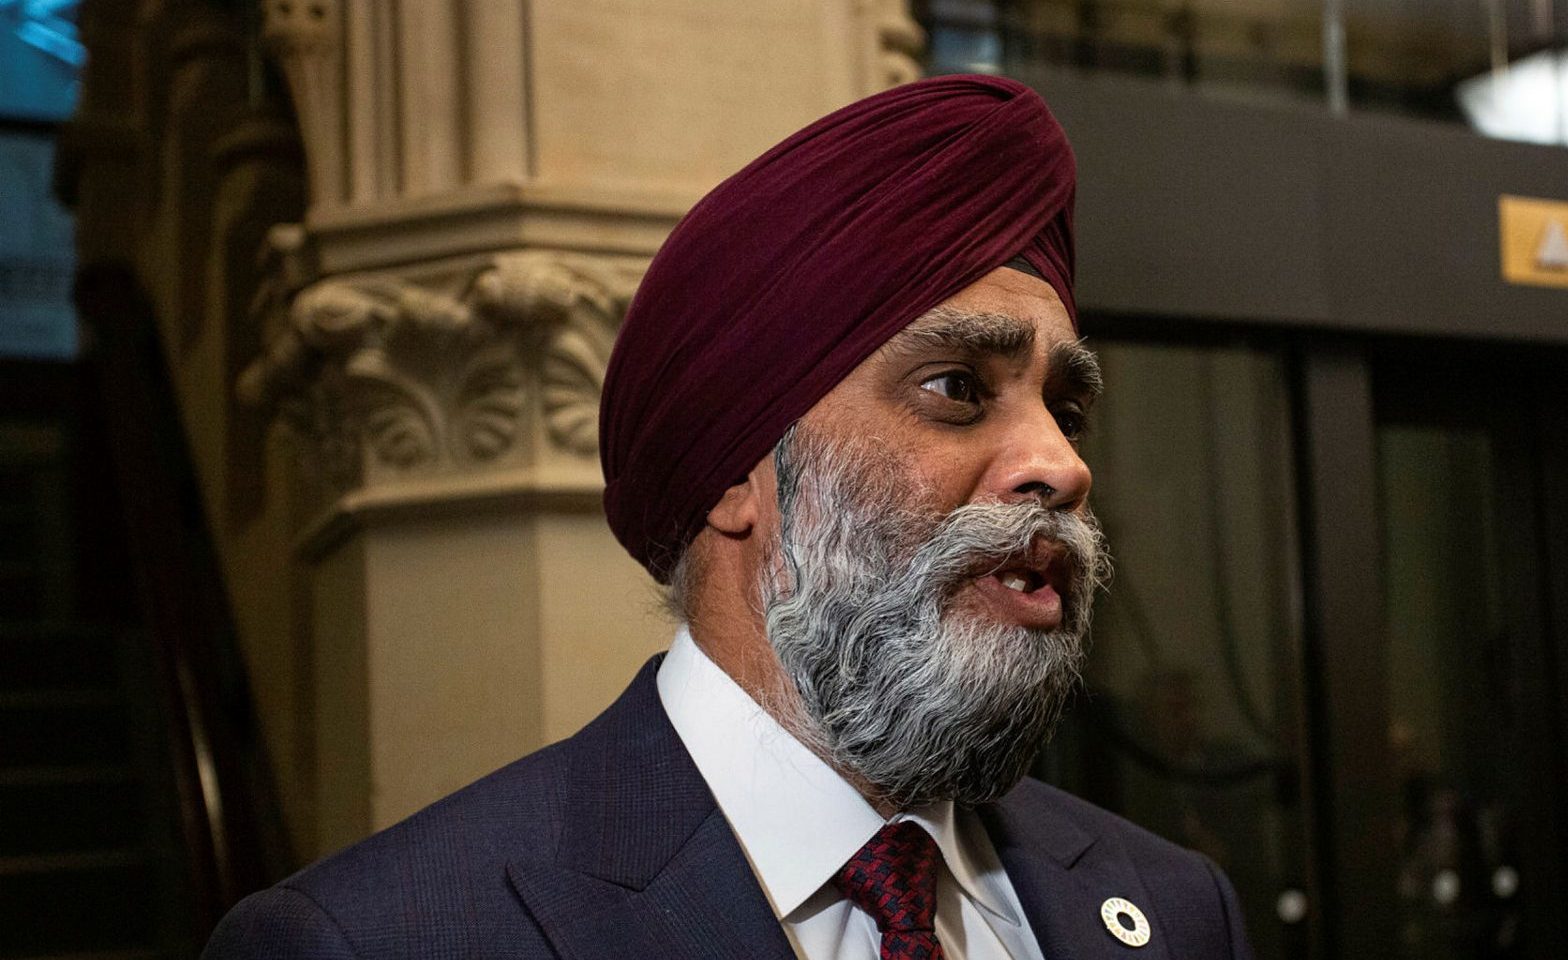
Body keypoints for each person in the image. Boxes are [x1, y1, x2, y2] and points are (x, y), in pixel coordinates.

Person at [205, 74, 1254, 960]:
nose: (1060, 464)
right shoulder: (380, 938)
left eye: (1066, 409)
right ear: (733, 476)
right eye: (955, 389)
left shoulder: (1176, 908)